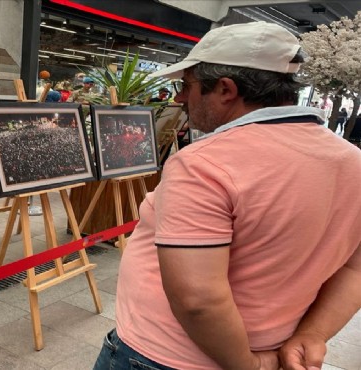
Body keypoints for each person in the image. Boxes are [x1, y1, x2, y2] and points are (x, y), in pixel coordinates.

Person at [93, 21, 361, 370]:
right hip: (267, 345)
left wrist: (250, 366)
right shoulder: (353, 162)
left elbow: (198, 300)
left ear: (225, 89)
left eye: (185, 85)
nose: (179, 98)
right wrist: (313, 334)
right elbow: (355, 269)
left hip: (164, 355)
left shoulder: (206, 163)